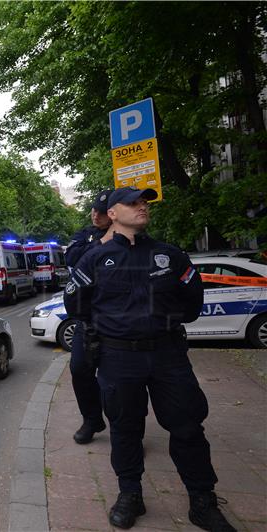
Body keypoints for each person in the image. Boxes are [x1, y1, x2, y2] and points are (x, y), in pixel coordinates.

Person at [64, 186, 235, 531]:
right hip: (118, 358)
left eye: (144, 201)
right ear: (112, 213)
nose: (141, 206)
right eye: (132, 202)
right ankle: (131, 494)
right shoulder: (95, 258)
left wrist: (161, 323)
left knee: (188, 427)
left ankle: (202, 501)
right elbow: (76, 305)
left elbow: (192, 303)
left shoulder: (169, 255)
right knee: (125, 430)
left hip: (167, 354)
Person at [64, 189, 114, 445]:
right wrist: (103, 242)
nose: (96, 214)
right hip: (88, 319)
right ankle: (92, 418)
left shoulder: (128, 235)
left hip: (117, 319)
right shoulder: (85, 234)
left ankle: (123, 428)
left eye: (102, 212)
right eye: (94, 209)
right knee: (79, 370)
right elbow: (72, 257)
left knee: (116, 379)